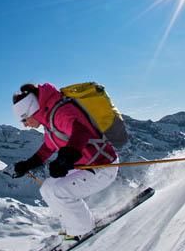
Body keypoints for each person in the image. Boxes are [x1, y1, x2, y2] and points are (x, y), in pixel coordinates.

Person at [11, 83, 119, 239]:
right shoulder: (49, 119)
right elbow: (48, 148)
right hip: (87, 167)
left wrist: (65, 158)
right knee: (47, 188)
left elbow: (81, 132)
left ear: (31, 111)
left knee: (59, 192)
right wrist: (28, 164)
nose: (25, 125)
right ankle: (72, 226)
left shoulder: (60, 114)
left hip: (103, 166)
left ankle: (83, 229)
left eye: (24, 119)